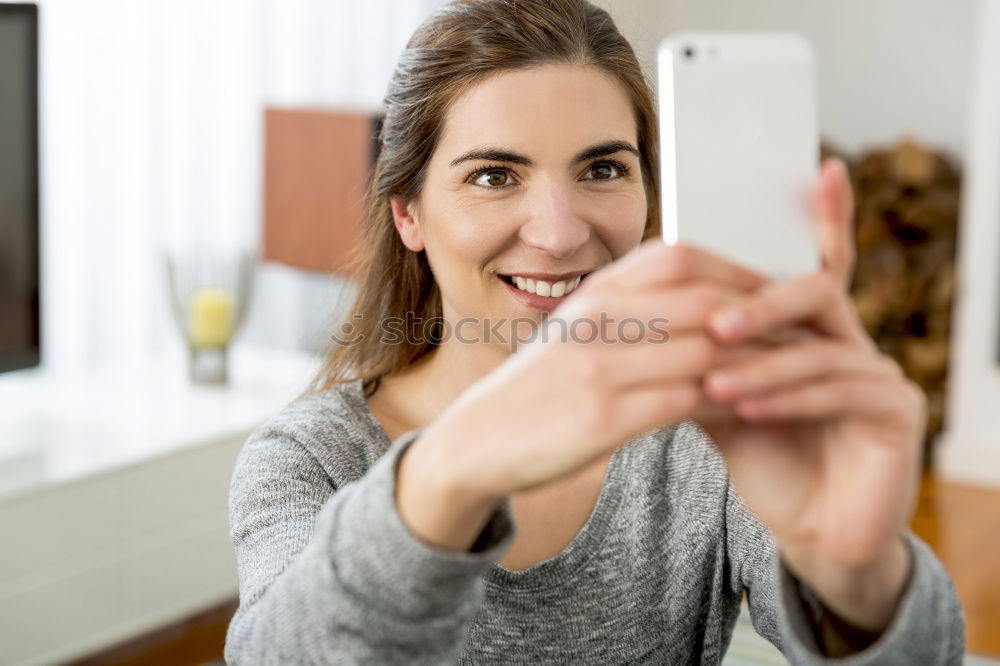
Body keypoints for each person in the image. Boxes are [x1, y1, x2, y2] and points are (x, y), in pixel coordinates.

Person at [224, 0, 966, 663]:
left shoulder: (710, 434)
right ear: (408, 213)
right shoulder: (308, 458)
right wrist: (455, 469)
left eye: (603, 169)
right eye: (493, 176)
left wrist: (862, 579)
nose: (559, 234)